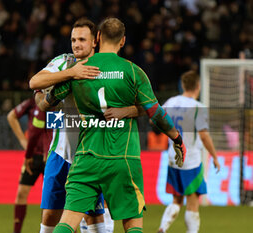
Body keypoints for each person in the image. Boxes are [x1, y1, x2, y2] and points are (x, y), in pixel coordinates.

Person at [36, 17, 186, 233]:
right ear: (123, 41)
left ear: (97, 38)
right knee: (132, 223)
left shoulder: (80, 70)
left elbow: (45, 102)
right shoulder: (133, 71)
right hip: (123, 158)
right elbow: (156, 113)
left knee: (66, 223)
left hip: (86, 157)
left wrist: (41, 95)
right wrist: (176, 138)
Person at [30, 18, 138, 233]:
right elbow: (35, 83)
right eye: (73, 40)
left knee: (95, 218)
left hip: (92, 154)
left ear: (95, 41)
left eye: (82, 39)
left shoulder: (108, 67)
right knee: (50, 215)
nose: (76, 44)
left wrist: (125, 111)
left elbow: (140, 105)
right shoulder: (65, 61)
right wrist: (72, 73)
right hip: (60, 153)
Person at [157, 71, 221, 233]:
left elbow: (155, 119)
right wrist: (214, 156)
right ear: (198, 86)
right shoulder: (198, 107)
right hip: (190, 160)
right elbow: (204, 136)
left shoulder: (171, 102)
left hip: (173, 157)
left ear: (183, 85)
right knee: (193, 202)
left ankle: (163, 228)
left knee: (176, 200)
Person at [7, 97, 52, 233]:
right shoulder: (32, 103)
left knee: (50, 199)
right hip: (33, 156)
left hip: (51, 157)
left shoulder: (57, 104)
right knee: (21, 193)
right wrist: (22, 140)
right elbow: (11, 116)